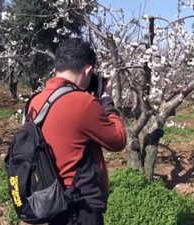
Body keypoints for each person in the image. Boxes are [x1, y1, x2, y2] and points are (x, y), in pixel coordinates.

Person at [27, 38, 127, 225]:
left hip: (51, 199)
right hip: (81, 206)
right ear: (88, 70)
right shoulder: (84, 103)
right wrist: (106, 100)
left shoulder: (35, 101)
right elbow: (118, 140)